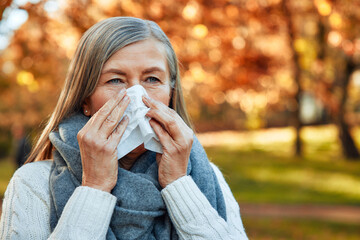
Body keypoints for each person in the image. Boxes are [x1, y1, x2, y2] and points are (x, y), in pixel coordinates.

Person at [0, 17, 248, 239]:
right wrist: (94, 187)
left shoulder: (206, 176)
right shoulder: (33, 183)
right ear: (85, 100)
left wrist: (178, 184)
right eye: (115, 80)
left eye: (152, 79)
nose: (135, 97)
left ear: (171, 94)